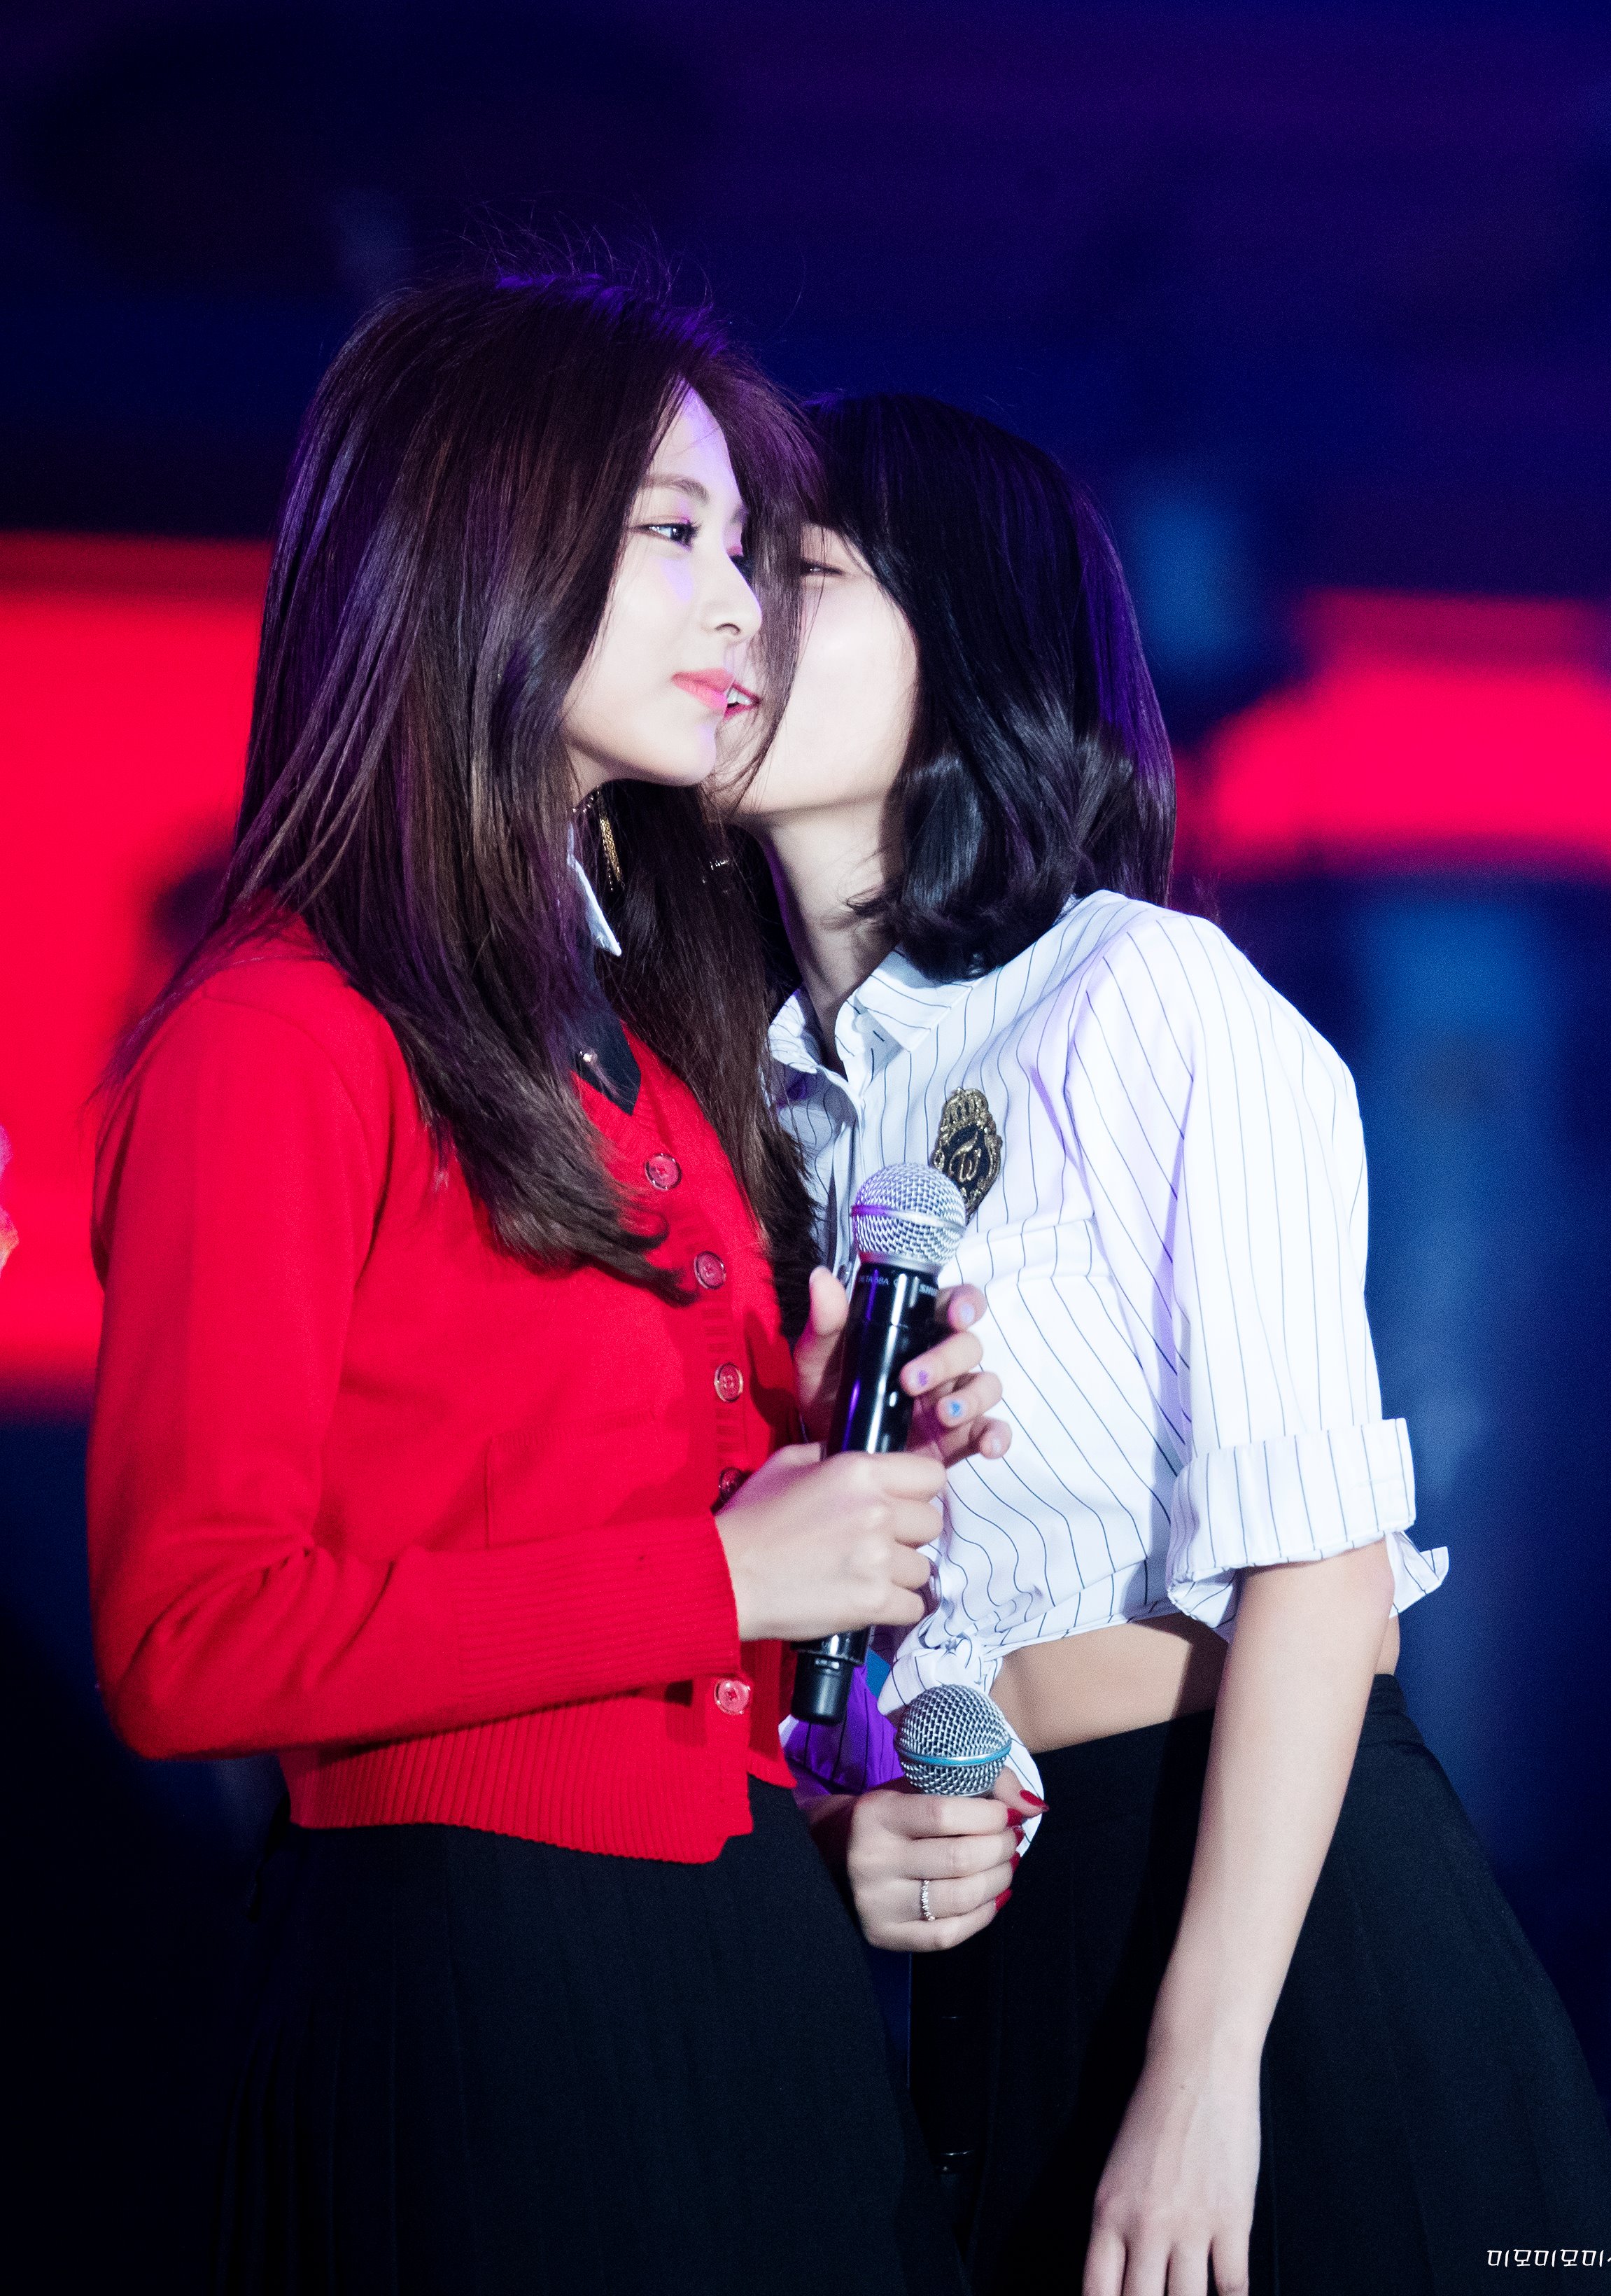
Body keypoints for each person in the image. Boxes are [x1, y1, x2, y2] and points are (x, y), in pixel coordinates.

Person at [85, 284, 1007, 2296]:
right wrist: (726, 1572)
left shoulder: (652, 1055)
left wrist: (839, 1497)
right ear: (486, 544)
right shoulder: (280, 1036)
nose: (740, 606)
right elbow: (187, 1637)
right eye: (675, 533)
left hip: (744, 1955)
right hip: (476, 1981)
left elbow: (649, 1588)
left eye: (743, 549)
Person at [720, 392, 1611, 2296]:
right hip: (999, 1950)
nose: (734, 618)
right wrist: (839, 1826)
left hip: (1267, 1924)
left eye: (799, 572)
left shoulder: (1143, 998)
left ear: (966, 641)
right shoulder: (765, 1106)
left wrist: (1208, 2070)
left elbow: (1323, 1573)